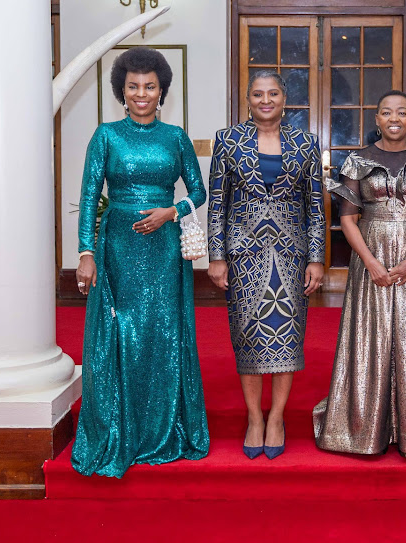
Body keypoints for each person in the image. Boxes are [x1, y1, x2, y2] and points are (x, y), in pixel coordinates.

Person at [72, 47, 210, 478]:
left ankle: (165, 428)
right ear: (122, 90)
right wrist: (86, 253)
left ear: (162, 89)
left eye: (150, 86)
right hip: (118, 248)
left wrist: (173, 211)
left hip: (165, 250)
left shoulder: (176, 137)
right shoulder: (106, 136)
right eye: (133, 86)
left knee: (164, 333)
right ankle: (120, 429)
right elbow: (92, 196)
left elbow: (199, 191)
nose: (142, 93)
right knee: (122, 332)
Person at [313, 90, 406, 456]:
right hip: (369, 255)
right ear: (376, 119)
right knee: (370, 336)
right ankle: (364, 430)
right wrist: (371, 262)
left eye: (402, 112)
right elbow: (346, 218)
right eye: (386, 112)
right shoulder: (358, 161)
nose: (394, 118)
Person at [207, 70, 325, 460]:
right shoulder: (228, 141)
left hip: (291, 254)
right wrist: (217, 256)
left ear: (284, 99)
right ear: (248, 99)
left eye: (272, 93)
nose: (265, 100)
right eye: (257, 94)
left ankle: (276, 418)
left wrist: (317, 258)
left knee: (287, 335)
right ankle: (254, 418)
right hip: (244, 253)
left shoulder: (306, 143)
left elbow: (314, 207)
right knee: (248, 334)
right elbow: (217, 202)